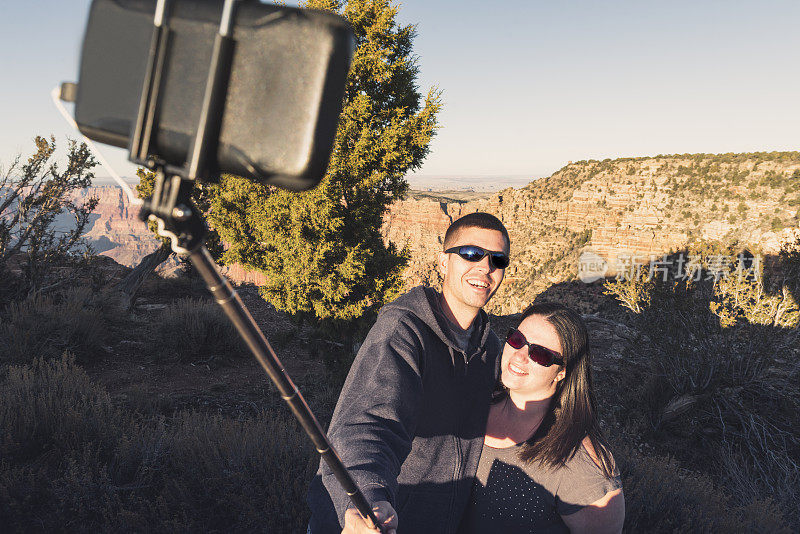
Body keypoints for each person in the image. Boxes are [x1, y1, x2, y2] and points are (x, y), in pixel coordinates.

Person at [306, 212, 511, 534]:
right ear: (443, 262)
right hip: (378, 521)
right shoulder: (402, 330)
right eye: (471, 253)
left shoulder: (490, 348)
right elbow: (369, 424)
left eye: (497, 260)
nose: (485, 267)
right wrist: (369, 497)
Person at [458, 302, 624, 534]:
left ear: (563, 371)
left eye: (540, 354)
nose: (519, 356)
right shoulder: (473, 403)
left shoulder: (579, 461)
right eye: (516, 340)